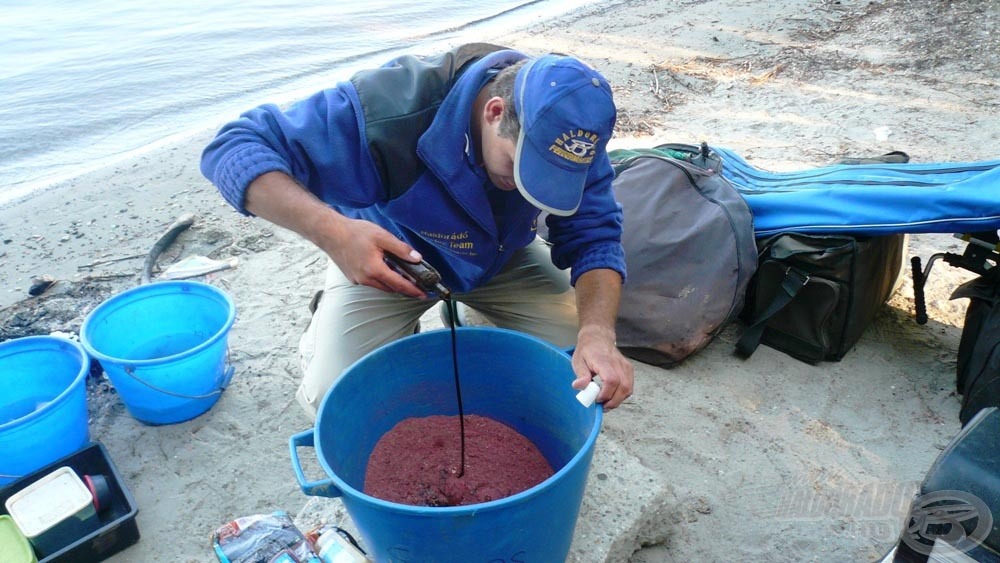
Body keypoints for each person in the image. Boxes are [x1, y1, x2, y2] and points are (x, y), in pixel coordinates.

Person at [200, 42, 634, 419]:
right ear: (495, 112)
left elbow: (595, 235)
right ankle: (331, 315)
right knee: (333, 398)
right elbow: (234, 146)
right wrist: (335, 233)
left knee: (573, 364)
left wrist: (598, 333)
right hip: (386, 264)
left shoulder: (570, 134)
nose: (528, 186)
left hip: (500, 259)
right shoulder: (385, 112)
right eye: (519, 168)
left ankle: (475, 315)